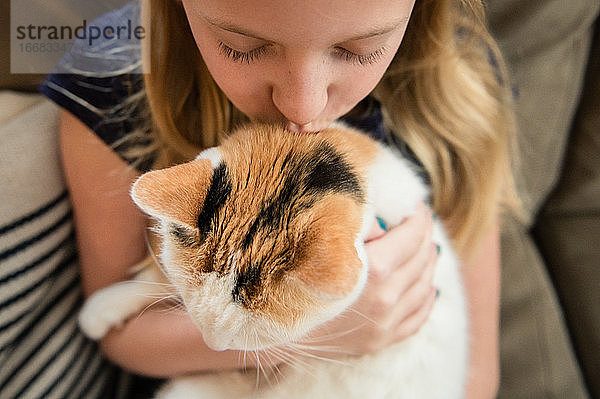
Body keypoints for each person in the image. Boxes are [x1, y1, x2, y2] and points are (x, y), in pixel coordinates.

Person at [41, 0, 517, 397]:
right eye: (241, 46)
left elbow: (476, 376)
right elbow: (116, 331)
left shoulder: (455, 92)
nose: (303, 105)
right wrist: (309, 332)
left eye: (360, 50)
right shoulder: (113, 78)